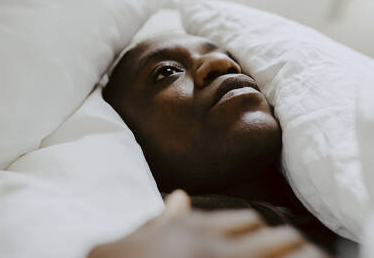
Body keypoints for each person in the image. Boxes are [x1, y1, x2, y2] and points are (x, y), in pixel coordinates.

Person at [92, 34, 345, 257]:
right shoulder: (149, 234)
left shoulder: (345, 198)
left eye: (228, 56)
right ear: (129, 136)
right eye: (167, 72)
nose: (222, 63)